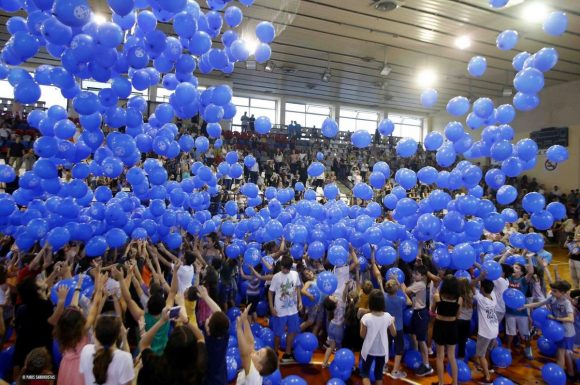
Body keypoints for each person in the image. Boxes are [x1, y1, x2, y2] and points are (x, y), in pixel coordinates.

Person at [523, 280, 575, 378]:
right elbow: (538, 304)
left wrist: (555, 318)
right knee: (564, 354)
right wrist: (524, 306)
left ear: (562, 292)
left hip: (566, 332)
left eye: (555, 291)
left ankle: (561, 376)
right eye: (552, 290)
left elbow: (571, 318)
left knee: (561, 354)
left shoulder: (566, 303)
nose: (552, 292)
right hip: (557, 332)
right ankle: (570, 373)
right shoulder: (553, 299)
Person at [79, 315, 134, 385]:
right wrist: (124, 338)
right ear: (117, 336)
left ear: (95, 334)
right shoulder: (125, 358)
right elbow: (128, 381)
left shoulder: (86, 350)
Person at [268, 255, 302, 362]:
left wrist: (300, 301)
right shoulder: (276, 277)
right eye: (283, 268)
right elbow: (270, 292)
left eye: (287, 268)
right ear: (281, 266)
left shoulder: (295, 274)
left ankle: (287, 353)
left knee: (292, 331)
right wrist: (271, 307)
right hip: (280, 311)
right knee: (278, 333)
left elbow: (297, 288)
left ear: (291, 267)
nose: (285, 270)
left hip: (293, 310)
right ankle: (275, 351)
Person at [360, 289, 396, 385]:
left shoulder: (366, 317)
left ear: (371, 302)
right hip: (382, 350)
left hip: (369, 349)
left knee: (365, 373)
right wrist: (392, 322)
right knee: (379, 374)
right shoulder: (388, 316)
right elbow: (394, 333)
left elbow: (362, 335)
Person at [235, 305, 279, 385]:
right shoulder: (255, 367)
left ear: (260, 367)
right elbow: (251, 344)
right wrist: (245, 320)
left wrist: (239, 328)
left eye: (257, 353)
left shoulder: (253, 374)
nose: (254, 351)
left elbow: (244, 354)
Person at [431, 276, 462, 385]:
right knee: (451, 356)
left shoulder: (437, 296)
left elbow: (432, 311)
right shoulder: (459, 299)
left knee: (439, 356)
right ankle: (455, 383)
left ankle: (441, 383)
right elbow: (458, 315)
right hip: (452, 326)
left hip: (440, 326)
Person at [405, 265, 433, 376]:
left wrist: (399, 282)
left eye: (416, 274)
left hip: (420, 313)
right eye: (414, 273)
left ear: (422, 276)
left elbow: (406, 290)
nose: (413, 275)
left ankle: (426, 365)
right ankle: (416, 354)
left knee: (421, 340)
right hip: (416, 313)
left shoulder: (420, 284)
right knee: (412, 334)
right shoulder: (418, 283)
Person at [473, 280, 499, 384]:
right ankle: (487, 368)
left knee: (481, 355)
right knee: (487, 351)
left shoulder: (481, 299)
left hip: (485, 333)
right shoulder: (493, 297)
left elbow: (471, 286)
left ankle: (488, 378)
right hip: (494, 331)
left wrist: (479, 277)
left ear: (482, 289)